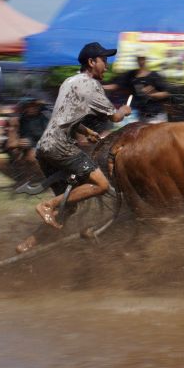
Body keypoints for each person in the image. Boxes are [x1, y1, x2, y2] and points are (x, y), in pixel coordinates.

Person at [16, 42, 131, 253]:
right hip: (61, 146)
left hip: (45, 147)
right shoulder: (92, 86)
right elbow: (114, 116)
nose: (106, 66)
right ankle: (47, 205)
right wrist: (124, 110)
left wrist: (87, 132)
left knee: (68, 206)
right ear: (91, 62)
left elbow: (66, 117)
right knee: (102, 185)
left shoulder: (69, 82)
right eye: (103, 61)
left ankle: (29, 243)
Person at [0, 95, 48, 183]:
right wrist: (13, 131)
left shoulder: (43, 119)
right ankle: (21, 181)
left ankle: (42, 181)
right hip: (19, 155)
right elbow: (7, 144)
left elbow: (46, 140)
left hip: (38, 153)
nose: (32, 108)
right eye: (29, 106)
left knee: (31, 155)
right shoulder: (18, 120)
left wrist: (30, 144)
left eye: (34, 106)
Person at [106, 54, 170, 123]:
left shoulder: (154, 76)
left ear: (146, 60)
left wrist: (152, 94)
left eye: (142, 59)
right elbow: (116, 86)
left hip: (157, 117)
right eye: (139, 59)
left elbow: (166, 93)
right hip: (141, 116)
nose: (141, 61)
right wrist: (98, 86)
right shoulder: (131, 75)